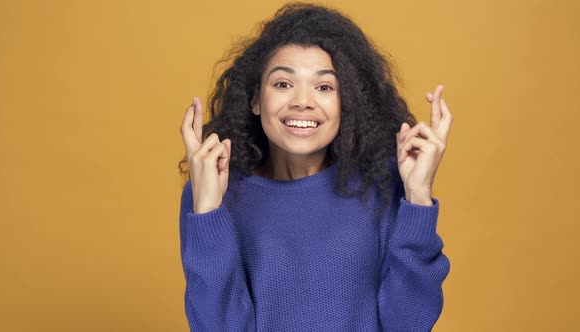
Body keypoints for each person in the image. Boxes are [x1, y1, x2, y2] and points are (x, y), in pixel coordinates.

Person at [178, 3, 453, 331]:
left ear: (346, 101)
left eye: (324, 87)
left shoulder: (386, 185)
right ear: (255, 99)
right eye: (283, 84)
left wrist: (418, 198)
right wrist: (208, 211)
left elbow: (409, 324)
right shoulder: (214, 192)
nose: (303, 101)